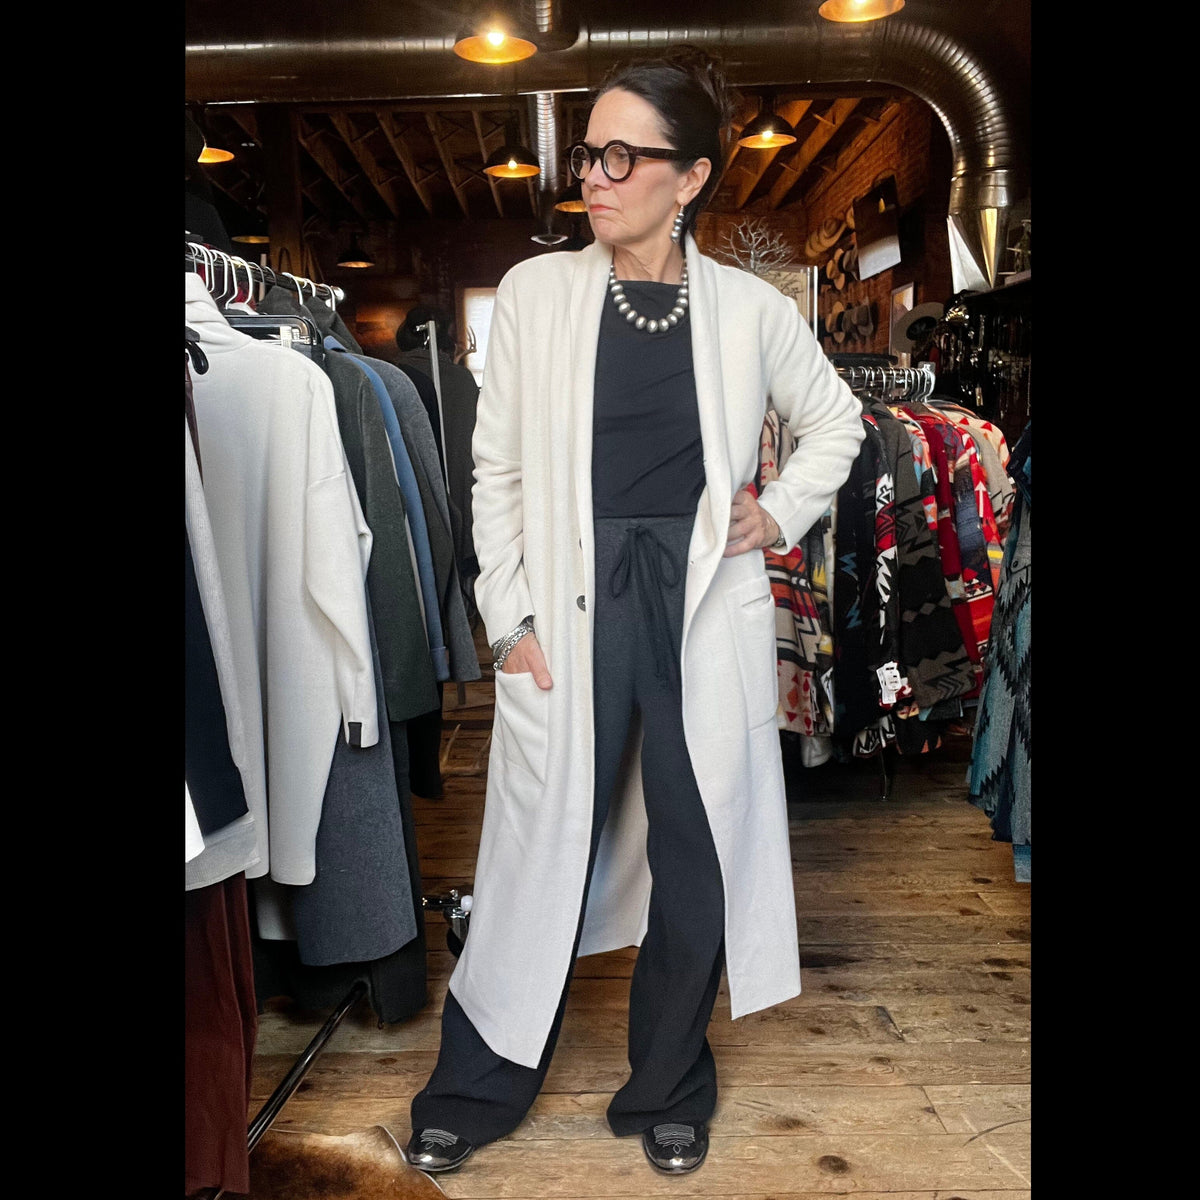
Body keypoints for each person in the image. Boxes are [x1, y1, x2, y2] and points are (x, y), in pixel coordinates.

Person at [405, 45, 865, 1179]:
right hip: (571, 599)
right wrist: (508, 621)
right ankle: (474, 1084)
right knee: (537, 845)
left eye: (623, 156)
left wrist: (778, 513)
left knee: (696, 849)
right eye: (589, 154)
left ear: (691, 177)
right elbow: (497, 472)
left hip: (701, 600)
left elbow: (838, 422)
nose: (595, 178)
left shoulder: (750, 310)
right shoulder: (536, 294)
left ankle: (667, 1084)